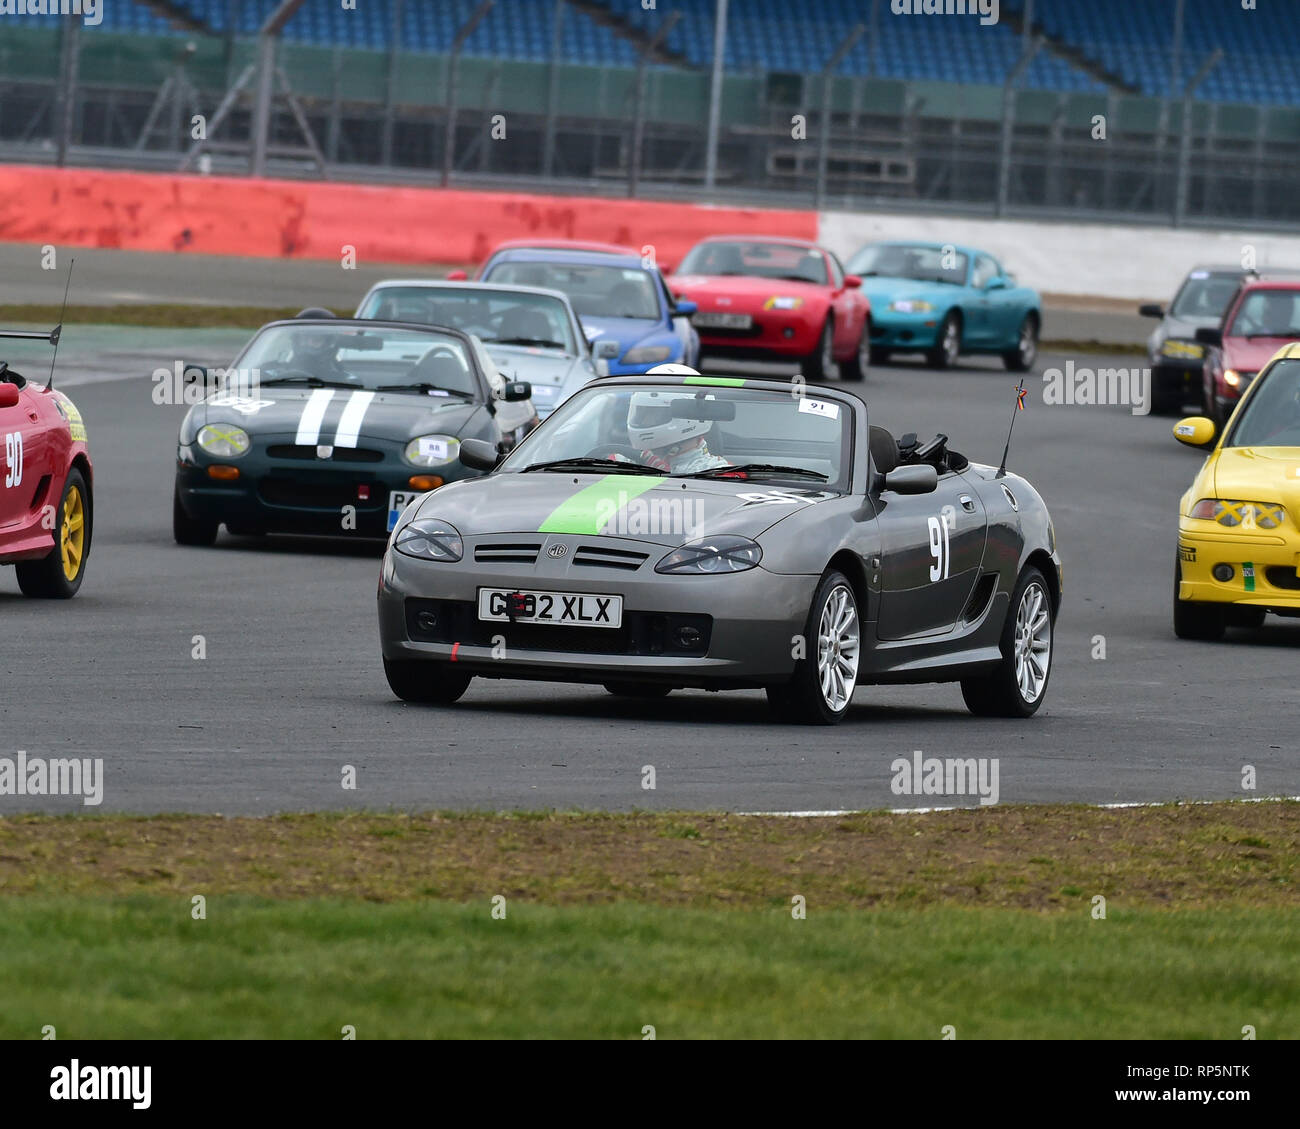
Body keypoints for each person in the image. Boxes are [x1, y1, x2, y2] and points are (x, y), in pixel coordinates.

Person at [624, 389, 729, 473]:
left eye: (652, 414)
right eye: (641, 413)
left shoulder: (715, 471)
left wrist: (667, 474)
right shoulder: (634, 461)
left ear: (686, 418)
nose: (644, 421)